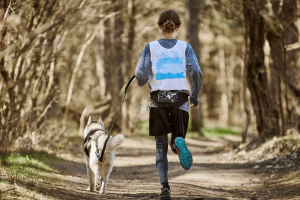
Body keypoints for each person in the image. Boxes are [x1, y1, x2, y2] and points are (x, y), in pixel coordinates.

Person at [135, 9, 203, 200]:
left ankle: (165, 188)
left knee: (159, 146)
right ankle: (177, 142)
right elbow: (197, 72)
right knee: (177, 137)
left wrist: (143, 80)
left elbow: (140, 75)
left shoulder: (151, 47)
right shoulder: (185, 47)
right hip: (180, 98)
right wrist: (195, 97)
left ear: (159, 27)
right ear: (178, 27)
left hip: (158, 99)